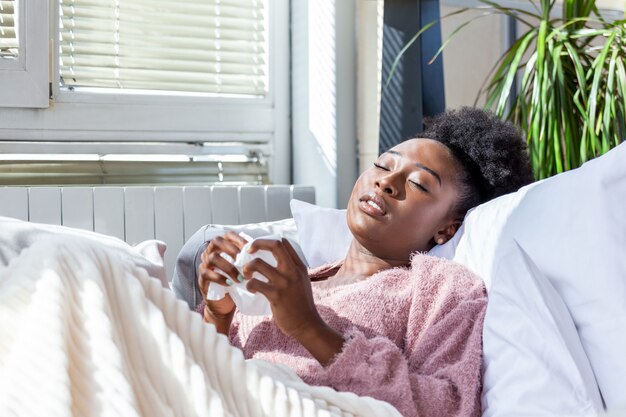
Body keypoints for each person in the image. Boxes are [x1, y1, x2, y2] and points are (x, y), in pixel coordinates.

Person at [194, 107, 533, 417]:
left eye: (417, 183)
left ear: (446, 229)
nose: (386, 182)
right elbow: (198, 375)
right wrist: (218, 314)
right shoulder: (292, 280)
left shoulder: (440, 289)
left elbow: (448, 406)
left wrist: (309, 327)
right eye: (384, 165)